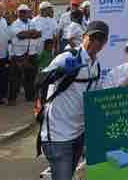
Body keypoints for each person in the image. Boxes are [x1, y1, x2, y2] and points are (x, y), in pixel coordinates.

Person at [38, 20, 108, 180]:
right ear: (84, 37)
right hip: (57, 135)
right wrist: (58, 71)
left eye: (101, 39)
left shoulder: (96, 65)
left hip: (79, 134)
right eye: (93, 37)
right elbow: (39, 80)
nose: (96, 42)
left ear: (105, 43)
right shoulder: (67, 57)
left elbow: (94, 101)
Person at [9, 4, 41, 103]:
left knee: (31, 76)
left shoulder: (32, 22)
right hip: (18, 54)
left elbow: (38, 34)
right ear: (18, 13)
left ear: (28, 13)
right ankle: (12, 98)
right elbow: (20, 35)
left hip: (32, 52)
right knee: (16, 78)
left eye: (25, 11)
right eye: (21, 12)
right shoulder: (14, 24)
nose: (23, 14)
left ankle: (30, 96)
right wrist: (31, 33)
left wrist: (28, 33)